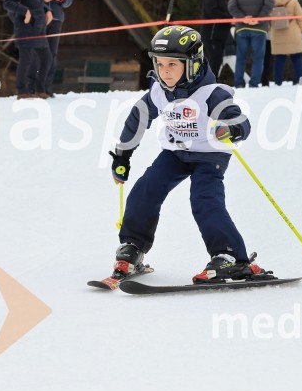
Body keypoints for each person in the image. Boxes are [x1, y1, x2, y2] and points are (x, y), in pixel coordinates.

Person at [108, 25, 273, 284]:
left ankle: (229, 256)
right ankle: (132, 248)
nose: (165, 71)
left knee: (204, 200)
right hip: (175, 153)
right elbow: (137, 119)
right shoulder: (158, 92)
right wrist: (123, 154)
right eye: (160, 64)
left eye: (173, 65)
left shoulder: (212, 94)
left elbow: (241, 121)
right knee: (145, 190)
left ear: (193, 64)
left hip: (209, 156)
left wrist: (230, 128)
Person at [2, 0, 51, 99]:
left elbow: (38, 2)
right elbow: (7, 3)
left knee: (46, 59)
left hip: (39, 29)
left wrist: (47, 10)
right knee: (26, 60)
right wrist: (25, 11)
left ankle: (40, 89)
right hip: (25, 29)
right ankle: (22, 91)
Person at [36, 0, 73, 96]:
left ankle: (46, 87)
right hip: (40, 19)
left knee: (52, 54)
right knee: (38, 53)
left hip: (56, 19)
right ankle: (34, 86)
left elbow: (70, 0)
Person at [228, 0, 274, 88]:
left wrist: (243, 18)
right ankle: (254, 83)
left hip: (242, 29)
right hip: (259, 29)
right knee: (258, 58)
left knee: (241, 57)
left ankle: (239, 83)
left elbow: (231, 6)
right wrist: (257, 18)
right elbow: (269, 5)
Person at [271, 0, 302, 85]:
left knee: (279, 59)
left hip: (277, 34)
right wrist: (301, 30)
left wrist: (270, 30)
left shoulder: (271, 1)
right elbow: (301, 17)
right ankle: (301, 81)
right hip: (293, 33)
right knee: (297, 58)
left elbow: (268, 18)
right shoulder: (293, 1)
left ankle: (278, 82)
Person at [201, 0, 232, 76]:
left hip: (220, 36)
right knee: (215, 59)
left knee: (217, 60)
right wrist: (230, 19)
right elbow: (213, 12)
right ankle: (209, 82)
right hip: (212, 35)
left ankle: (212, 81)